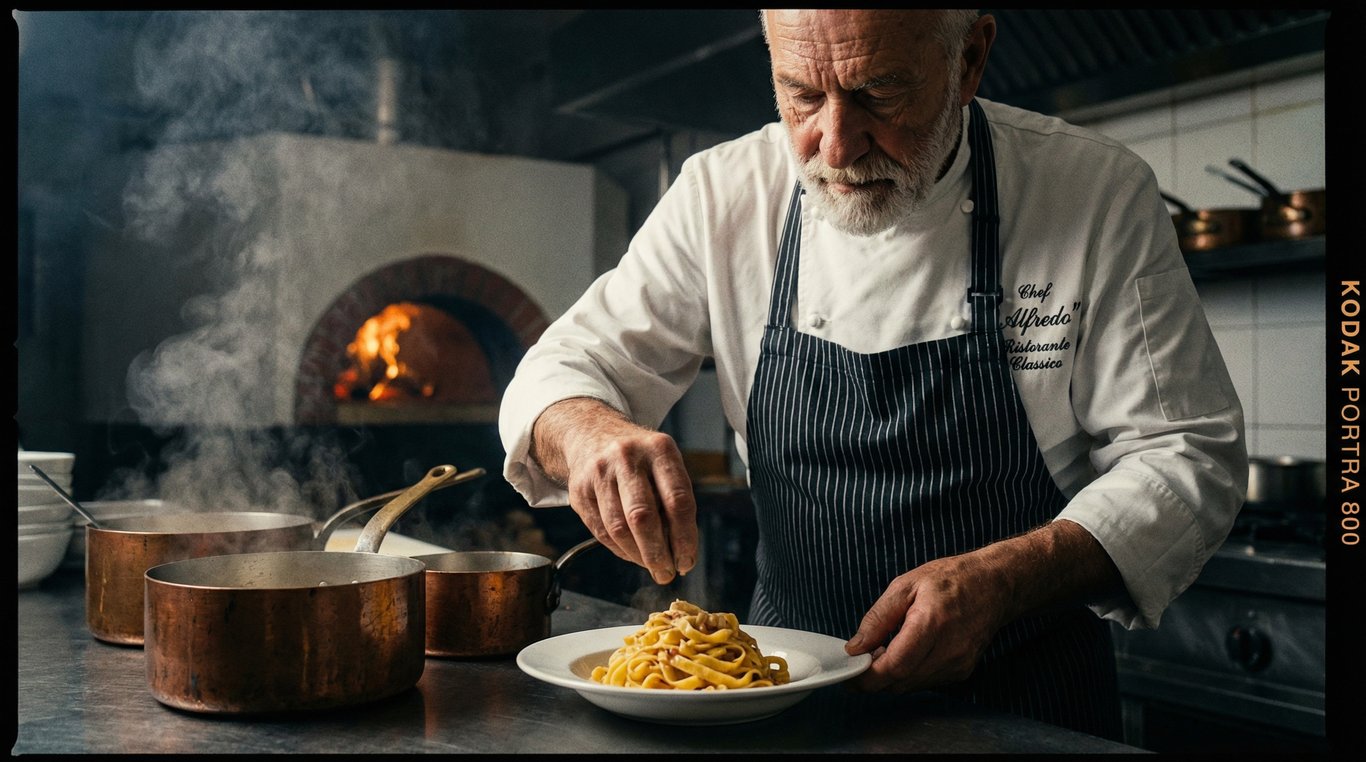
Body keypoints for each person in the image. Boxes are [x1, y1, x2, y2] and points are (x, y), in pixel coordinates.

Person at [498, 9, 1246, 739]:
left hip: (1025, 706)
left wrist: (1004, 580)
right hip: (779, 703)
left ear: (970, 59)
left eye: (879, 93)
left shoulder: (1092, 191)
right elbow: (565, 368)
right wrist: (590, 431)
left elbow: (1185, 453)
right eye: (800, 94)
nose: (835, 144)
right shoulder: (721, 195)